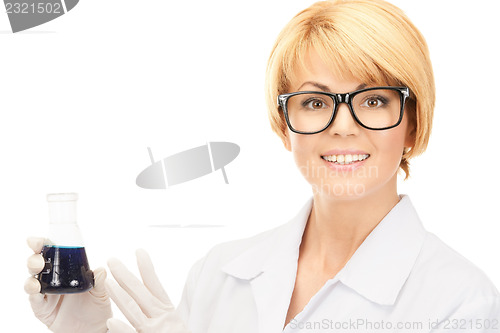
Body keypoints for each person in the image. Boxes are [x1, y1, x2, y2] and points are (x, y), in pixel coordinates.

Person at [25, 0, 500, 332]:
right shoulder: (218, 273)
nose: (342, 126)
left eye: (374, 100)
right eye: (314, 102)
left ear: (413, 125)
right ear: (283, 125)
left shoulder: (459, 302)